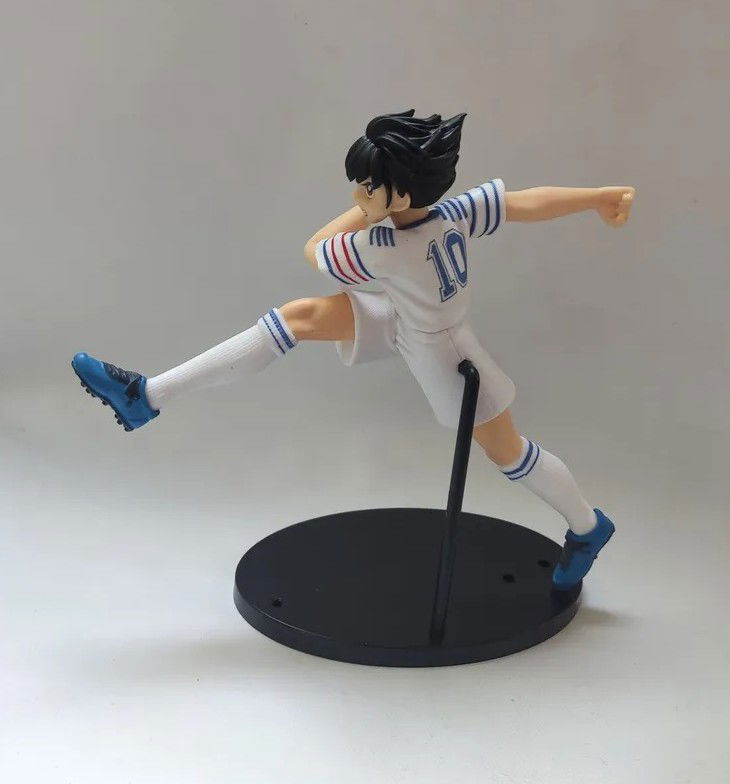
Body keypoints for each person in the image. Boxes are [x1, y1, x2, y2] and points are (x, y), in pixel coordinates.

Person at [72, 110, 634, 589]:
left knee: (510, 454)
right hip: (407, 318)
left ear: (403, 194)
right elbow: (524, 203)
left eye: (367, 185)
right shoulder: (455, 212)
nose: (357, 196)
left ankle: (588, 528)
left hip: (445, 355)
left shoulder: (382, 246)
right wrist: (599, 197)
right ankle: (147, 394)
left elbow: (316, 247)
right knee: (299, 317)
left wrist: (368, 210)